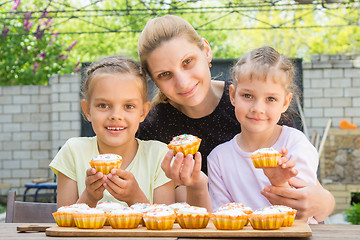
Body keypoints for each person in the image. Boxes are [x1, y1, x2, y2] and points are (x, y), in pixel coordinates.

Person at [137, 15, 335, 222]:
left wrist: (326, 202)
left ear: (206, 51)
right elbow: (170, 209)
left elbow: (310, 190)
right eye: (165, 75)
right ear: (154, 81)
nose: (183, 82)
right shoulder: (155, 126)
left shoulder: (251, 99)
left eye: (188, 62)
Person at [49, 55, 210, 210]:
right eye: (103, 105)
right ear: (87, 110)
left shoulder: (159, 155)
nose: (116, 116)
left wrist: (135, 197)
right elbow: (64, 223)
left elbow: (163, 227)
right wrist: (89, 197)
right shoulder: (73, 151)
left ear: (143, 112)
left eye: (129, 106)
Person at [207, 46, 320, 222]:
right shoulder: (218, 159)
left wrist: (280, 183)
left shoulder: (296, 145)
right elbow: (223, 220)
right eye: (247, 95)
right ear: (233, 95)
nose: (258, 109)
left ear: (285, 103)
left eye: (270, 99)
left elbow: (302, 217)